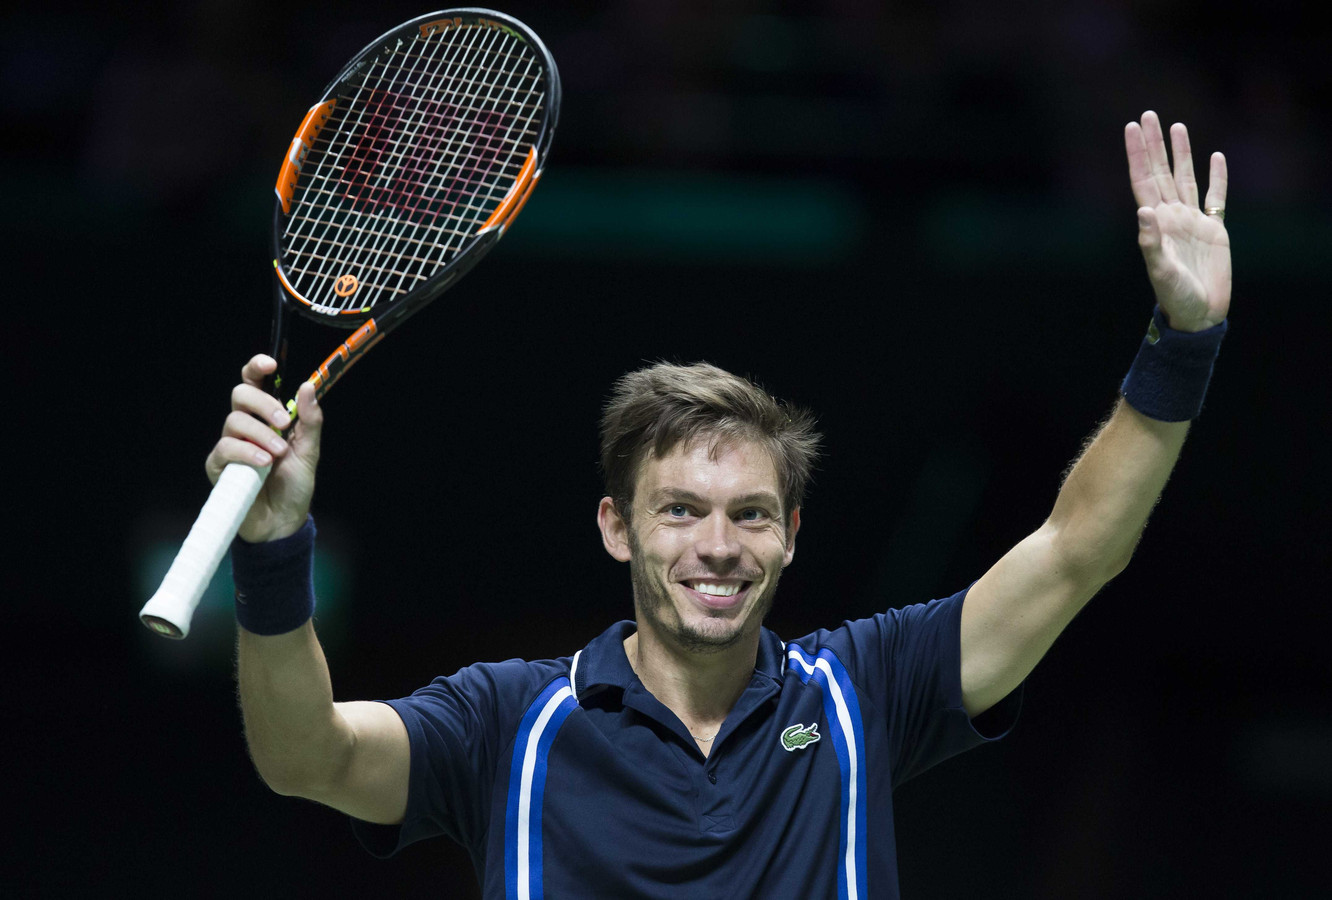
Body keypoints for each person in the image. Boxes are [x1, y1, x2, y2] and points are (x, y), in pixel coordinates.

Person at [214, 111, 1229, 898]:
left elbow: (1076, 548)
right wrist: (271, 548)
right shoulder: (507, 723)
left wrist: (1182, 343)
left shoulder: (861, 693)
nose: (718, 545)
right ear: (616, 529)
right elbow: (307, 755)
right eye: (679, 511)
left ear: (791, 537)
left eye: (750, 514)